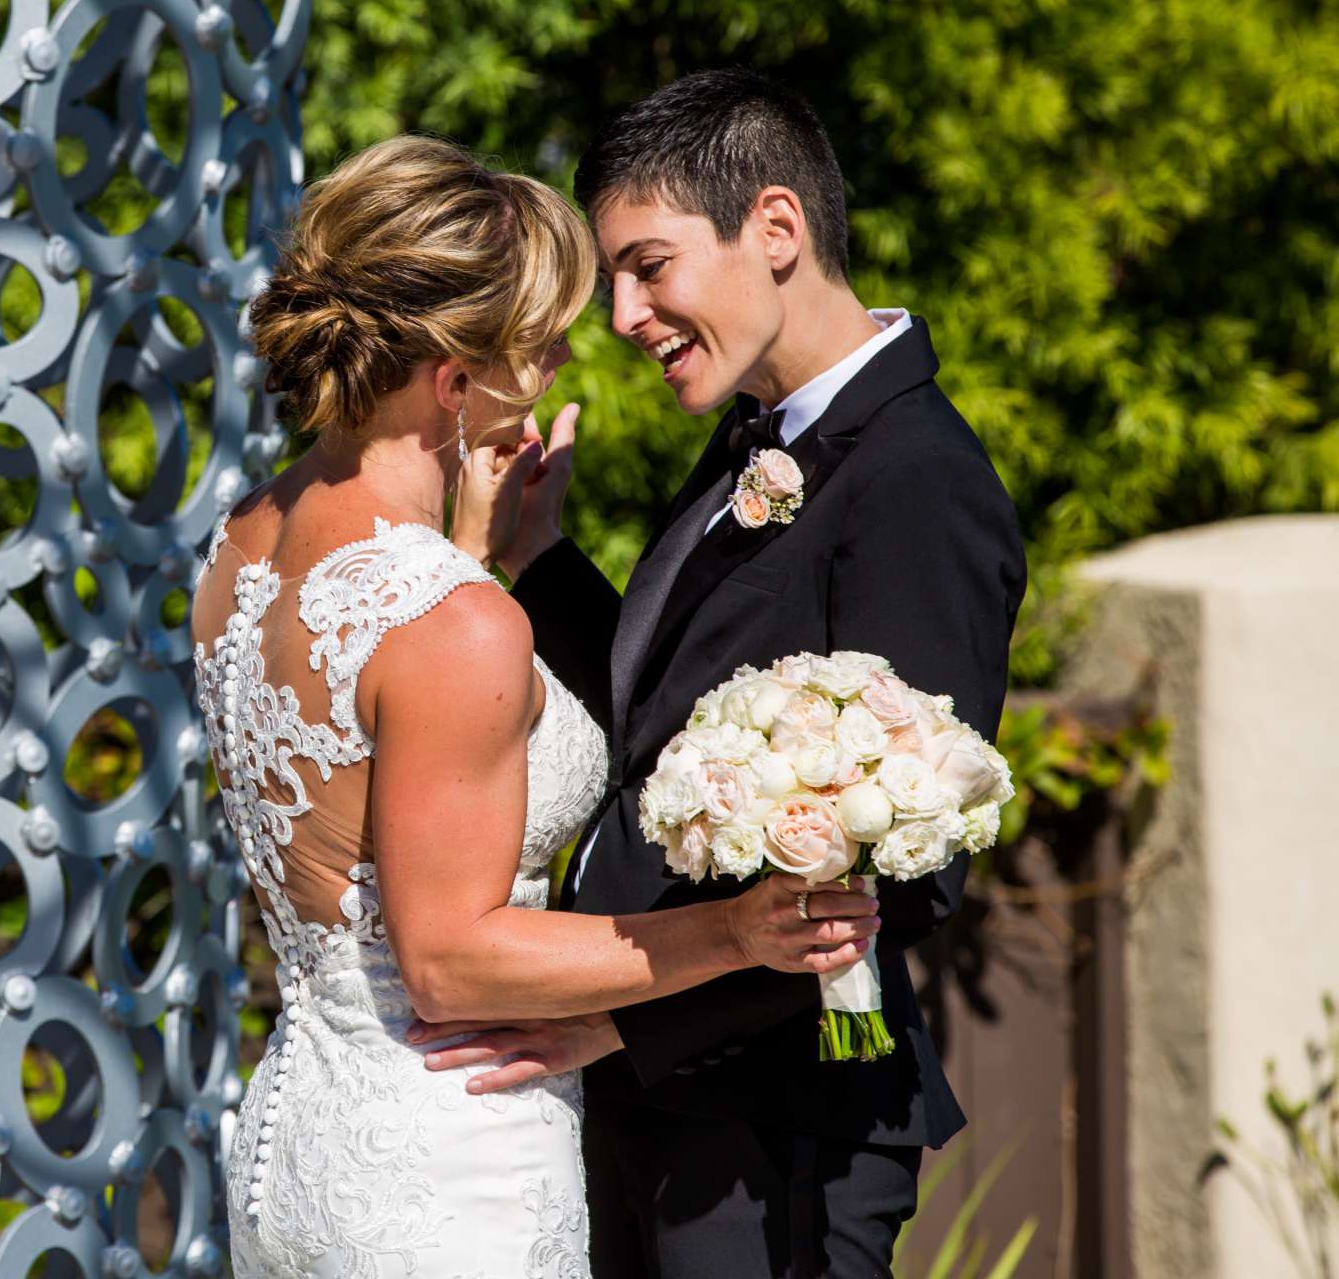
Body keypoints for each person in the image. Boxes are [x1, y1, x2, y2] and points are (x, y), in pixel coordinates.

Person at [195, 134, 881, 1279]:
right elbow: (449, 961)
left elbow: (359, 784)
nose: (565, 360)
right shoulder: (456, 624)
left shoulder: (245, 540)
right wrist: (735, 929)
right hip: (450, 1159)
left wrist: (484, 550)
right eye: (541, 345)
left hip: (296, 1139)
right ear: (453, 381)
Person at [410, 69, 1027, 1278]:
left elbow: (908, 861)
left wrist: (619, 1015)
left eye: (651, 265)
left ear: (778, 229)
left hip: (778, 1126)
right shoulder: (760, 438)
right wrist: (538, 559)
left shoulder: (913, 480)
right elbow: (664, 736)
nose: (627, 314)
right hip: (663, 1103)